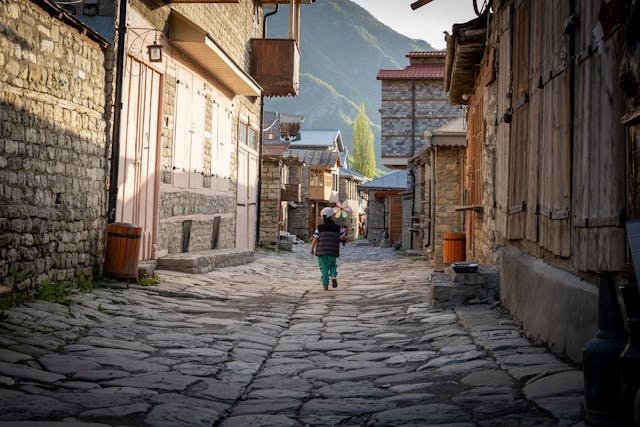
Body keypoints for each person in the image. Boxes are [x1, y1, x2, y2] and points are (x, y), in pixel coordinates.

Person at [310, 207, 345, 290]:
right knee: (332, 265)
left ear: (322, 217)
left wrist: (312, 248)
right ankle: (333, 276)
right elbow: (343, 237)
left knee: (324, 268)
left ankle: (325, 285)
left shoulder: (320, 228)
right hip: (332, 251)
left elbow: (315, 238)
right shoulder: (337, 228)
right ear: (332, 217)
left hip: (321, 252)